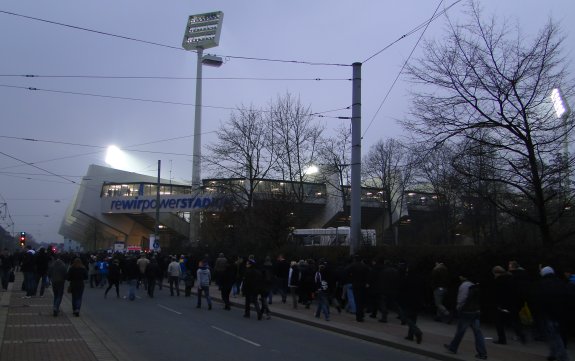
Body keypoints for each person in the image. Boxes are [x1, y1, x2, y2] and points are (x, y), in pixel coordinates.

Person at [444, 273, 487, 360]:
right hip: (476, 311)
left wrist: (459, 308)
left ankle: (453, 348)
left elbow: (461, 299)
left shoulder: (464, 285)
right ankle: (482, 353)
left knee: (460, 331)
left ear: (463, 277)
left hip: (466, 311)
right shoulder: (475, 285)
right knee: (477, 332)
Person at [532, 266, 569, 361]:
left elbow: (538, 300)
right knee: (556, 335)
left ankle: (563, 357)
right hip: (562, 313)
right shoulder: (561, 283)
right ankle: (553, 354)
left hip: (548, 314)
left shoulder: (541, 284)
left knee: (554, 337)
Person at [492, 265, 526, 345]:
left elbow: (498, 294)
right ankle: (522, 335)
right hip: (513, 304)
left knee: (499, 322)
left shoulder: (499, 281)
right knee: (514, 321)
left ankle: (502, 339)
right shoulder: (511, 278)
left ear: (497, 273)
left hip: (503, 305)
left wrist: (498, 304)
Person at [399, 262, 424, 344]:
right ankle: (410, 335)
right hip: (417, 301)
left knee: (405, 317)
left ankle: (417, 331)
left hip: (408, 300)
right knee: (413, 318)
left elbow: (402, 289)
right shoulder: (420, 278)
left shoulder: (408, 278)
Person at [345, 255, 370, 322]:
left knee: (357, 301)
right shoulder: (365, 266)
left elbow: (346, 272)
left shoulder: (352, 266)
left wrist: (350, 278)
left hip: (355, 284)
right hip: (363, 285)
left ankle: (358, 316)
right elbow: (368, 275)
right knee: (361, 301)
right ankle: (361, 315)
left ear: (355, 259)